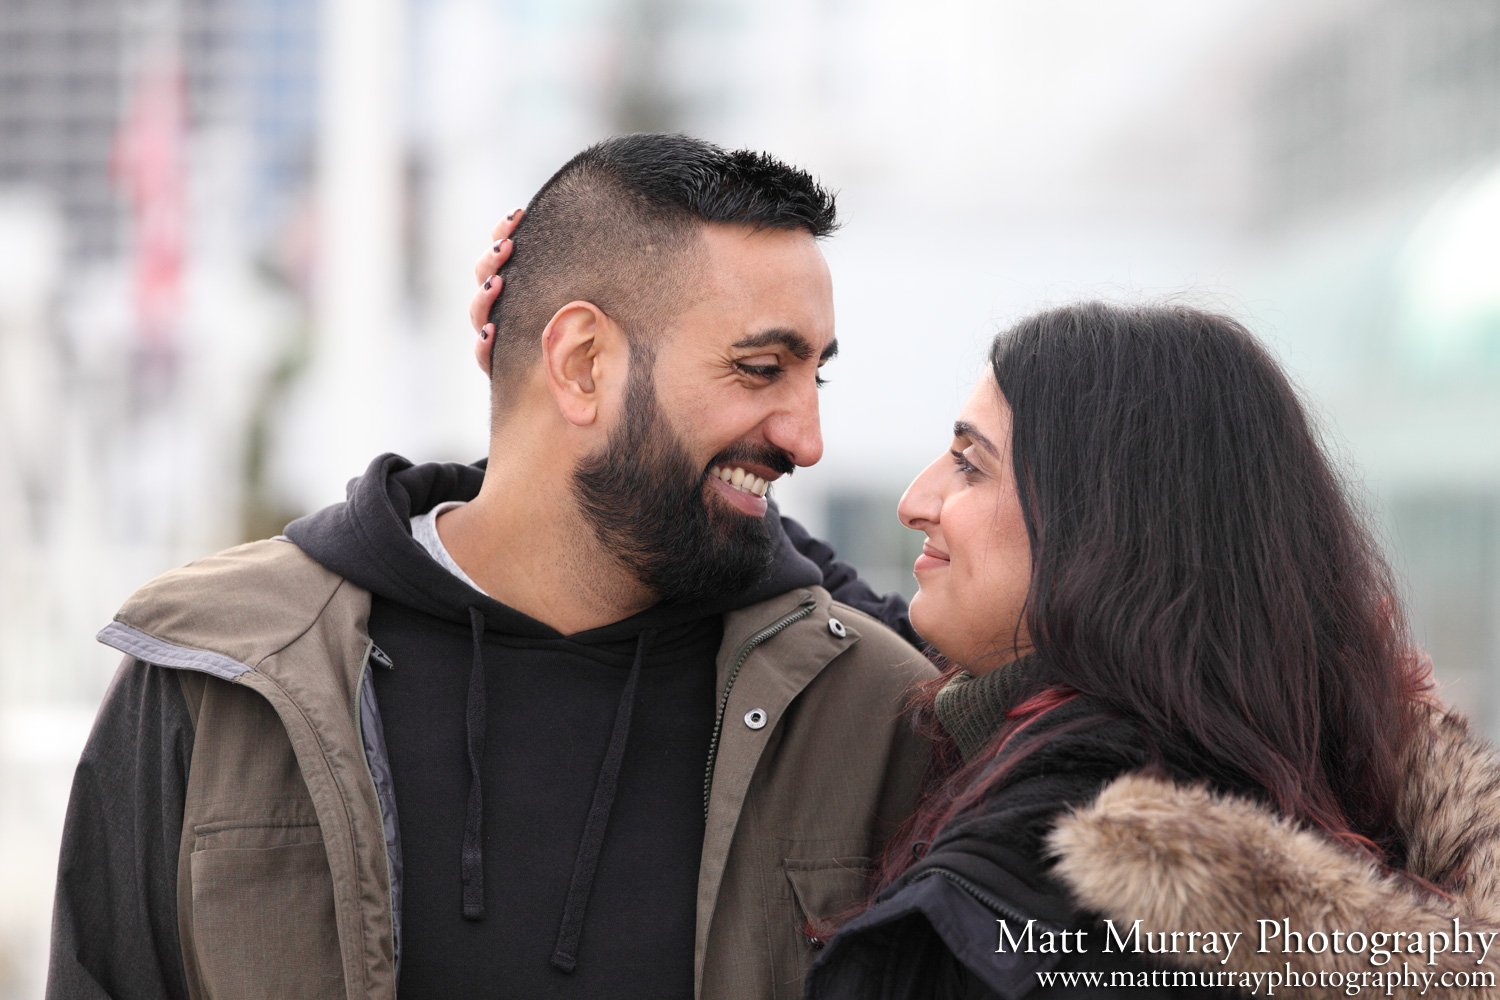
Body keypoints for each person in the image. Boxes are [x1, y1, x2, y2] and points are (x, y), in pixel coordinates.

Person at [46, 134, 935, 1000]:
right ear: (582, 363)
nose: (807, 439)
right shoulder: (219, 672)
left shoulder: (872, 709)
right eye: (759, 368)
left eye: (813, 378)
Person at [785, 302, 1500, 998]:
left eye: (971, 465)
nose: (916, 500)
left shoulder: (1058, 896)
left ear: (1103, 531)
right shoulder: (1303, 809)